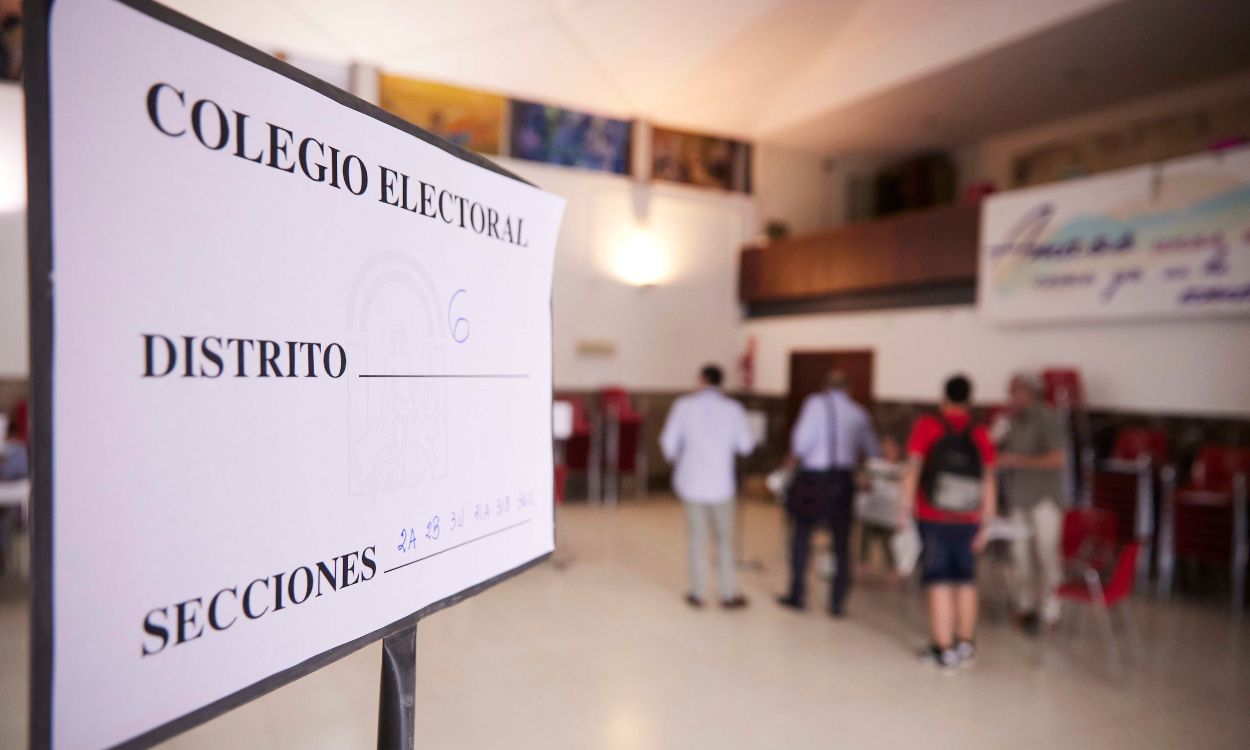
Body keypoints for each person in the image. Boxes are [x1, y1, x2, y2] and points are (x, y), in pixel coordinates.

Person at [898, 374, 997, 671]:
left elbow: (913, 469)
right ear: (970, 399)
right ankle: (965, 645)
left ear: (944, 397)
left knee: (938, 580)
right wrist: (987, 522)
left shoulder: (928, 426)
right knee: (966, 580)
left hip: (934, 516)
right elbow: (989, 477)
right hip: (969, 517)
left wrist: (903, 509)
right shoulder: (980, 432)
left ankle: (944, 649)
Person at [778, 370, 880, 617]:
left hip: (814, 479)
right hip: (843, 480)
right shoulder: (858, 412)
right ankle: (837, 602)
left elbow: (801, 442)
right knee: (842, 543)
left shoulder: (814, 405)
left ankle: (798, 593)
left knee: (802, 535)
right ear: (848, 389)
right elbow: (872, 449)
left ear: (825, 387)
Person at [659, 364, 756, 609]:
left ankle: (697, 593)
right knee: (725, 540)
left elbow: (668, 443)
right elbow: (745, 446)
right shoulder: (733, 409)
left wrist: (681, 458)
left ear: (701, 380)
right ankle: (726, 594)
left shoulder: (684, 406)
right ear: (721, 383)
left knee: (696, 539)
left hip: (692, 483)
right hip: (722, 485)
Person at [999, 372, 1067, 634]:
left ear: (1028, 392)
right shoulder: (1013, 421)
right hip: (1019, 497)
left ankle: (1050, 611)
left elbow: (1057, 458)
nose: (1011, 397)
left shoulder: (1048, 417)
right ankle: (1023, 606)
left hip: (1044, 499)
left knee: (1047, 554)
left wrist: (1018, 460)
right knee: (1019, 555)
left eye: (1015, 391)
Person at [857, 436, 904, 583]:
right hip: (873, 508)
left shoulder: (901, 468)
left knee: (888, 542)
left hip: (890, 511)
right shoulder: (874, 465)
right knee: (866, 537)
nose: (887, 451)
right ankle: (863, 564)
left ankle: (893, 568)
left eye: (891, 448)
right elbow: (862, 481)